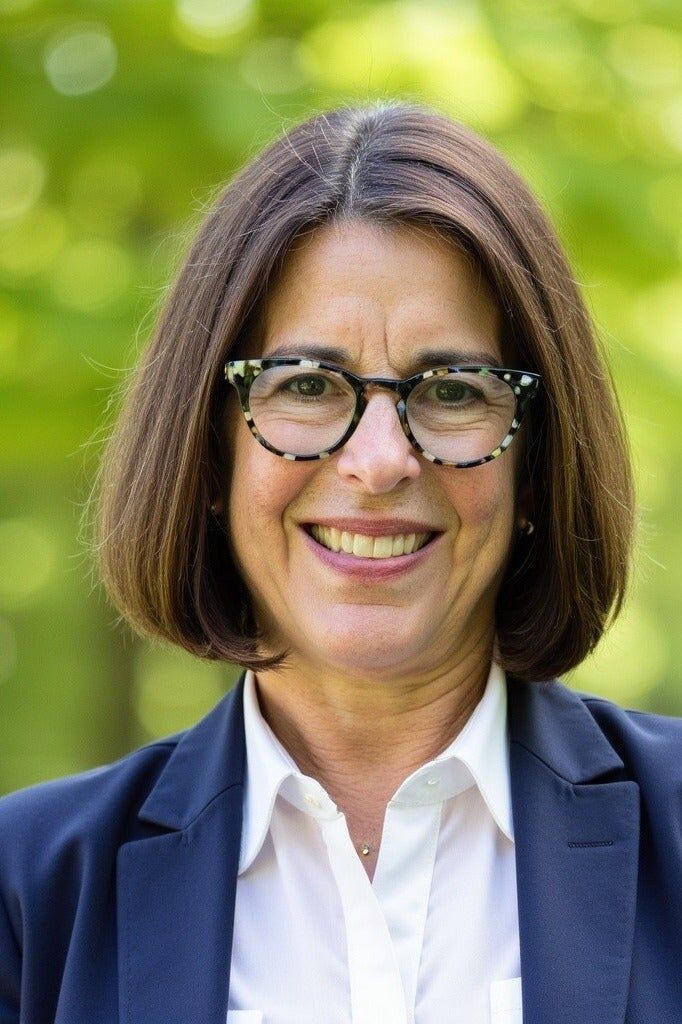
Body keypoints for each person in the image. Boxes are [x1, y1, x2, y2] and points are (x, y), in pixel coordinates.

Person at [0, 100, 679, 1024]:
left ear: (536, 461)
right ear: (209, 454)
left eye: (452, 391)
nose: (379, 461)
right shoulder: (28, 895)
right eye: (309, 385)